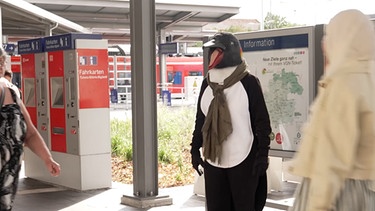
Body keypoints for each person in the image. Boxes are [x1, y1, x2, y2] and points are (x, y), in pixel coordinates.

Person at [288, 9, 375, 211]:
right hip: (367, 193)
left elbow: (331, 154)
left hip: (339, 194)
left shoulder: (345, 81)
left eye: (330, 35)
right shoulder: (370, 79)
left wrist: (319, 204)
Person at [190, 32, 272, 211]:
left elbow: (262, 122)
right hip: (214, 160)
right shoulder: (207, 83)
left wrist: (262, 155)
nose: (211, 55)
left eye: (216, 50)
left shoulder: (248, 82)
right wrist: (195, 148)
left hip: (244, 159)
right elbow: (201, 119)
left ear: (229, 52)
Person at [0, 47, 61, 210]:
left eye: (2, 62)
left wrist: (48, 159)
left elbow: (30, 133)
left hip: (6, 187)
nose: (1, 66)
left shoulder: (12, 92)